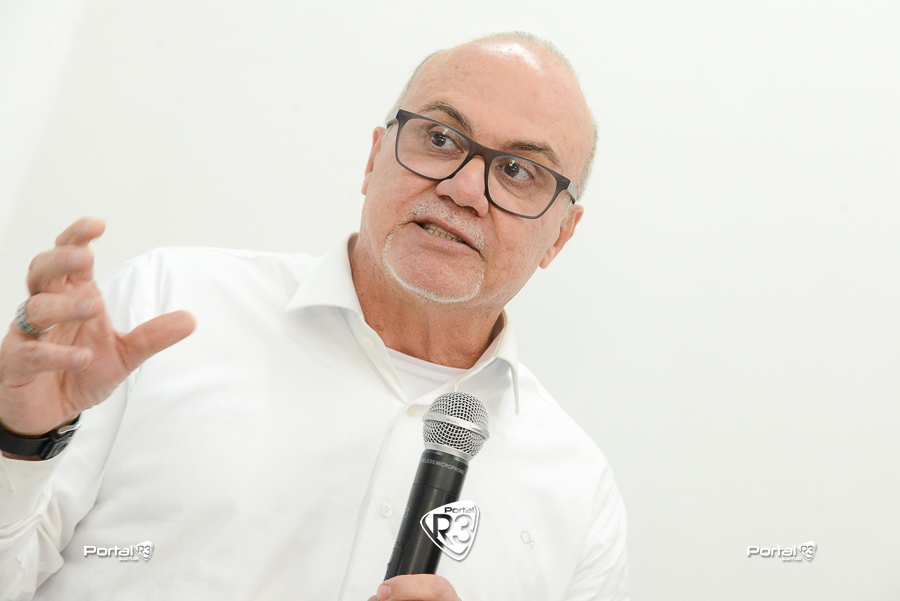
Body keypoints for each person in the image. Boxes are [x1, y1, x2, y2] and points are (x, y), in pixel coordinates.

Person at [0, 33, 628, 600]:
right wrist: (19, 439)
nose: (463, 189)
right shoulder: (163, 308)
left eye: (518, 171)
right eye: (440, 139)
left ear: (559, 236)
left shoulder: (580, 499)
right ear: (374, 158)